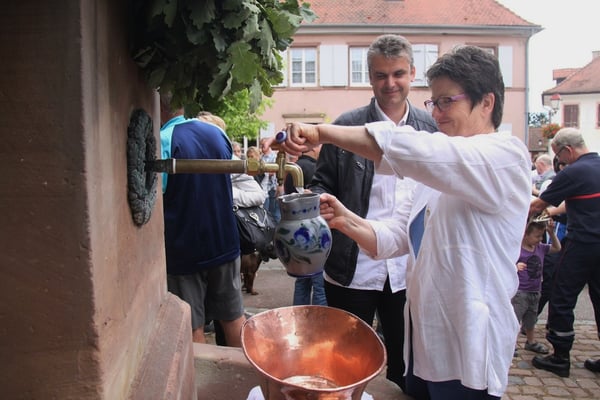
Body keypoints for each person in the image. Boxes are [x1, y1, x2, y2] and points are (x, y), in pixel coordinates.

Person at [273, 45, 531, 400]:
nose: (436, 113)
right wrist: (345, 219)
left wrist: (322, 133)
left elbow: (406, 148)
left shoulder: (504, 157)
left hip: (468, 344)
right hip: (427, 342)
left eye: (447, 102)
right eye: (434, 102)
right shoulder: (439, 173)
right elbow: (397, 237)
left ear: (486, 102)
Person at [305, 33, 437, 391]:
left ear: (412, 74)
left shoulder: (430, 128)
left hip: (408, 268)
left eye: (398, 74)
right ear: (370, 78)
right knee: (344, 363)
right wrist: (318, 201)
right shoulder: (346, 126)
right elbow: (321, 183)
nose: (390, 83)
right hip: (353, 267)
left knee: (406, 364)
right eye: (381, 75)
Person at [160, 94, 245, 346]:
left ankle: (199, 374)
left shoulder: (163, 140)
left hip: (183, 250)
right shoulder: (216, 133)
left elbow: (156, 196)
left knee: (192, 325)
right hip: (224, 242)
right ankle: (247, 371)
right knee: (233, 317)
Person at [529, 127, 600, 377]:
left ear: (567, 150)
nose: (559, 162)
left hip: (582, 243)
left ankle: (560, 357)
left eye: (558, 156)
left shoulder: (574, 171)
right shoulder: (596, 166)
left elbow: (538, 206)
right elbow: (569, 205)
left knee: (561, 295)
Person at [283, 144, 327, 306]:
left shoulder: (295, 167)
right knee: (319, 285)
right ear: (313, 148)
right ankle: (317, 319)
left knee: (302, 281)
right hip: (313, 232)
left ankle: (299, 315)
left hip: (294, 230)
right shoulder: (315, 169)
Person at [513, 219, 561, 355]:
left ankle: (531, 341)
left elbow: (557, 248)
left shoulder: (540, 248)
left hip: (535, 291)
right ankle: (511, 343)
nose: (540, 239)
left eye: (541, 236)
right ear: (525, 235)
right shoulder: (517, 250)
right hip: (520, 292)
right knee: (515, 318)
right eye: (537, 236)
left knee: (531, 319)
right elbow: (506, 264)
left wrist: (551, 234)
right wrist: (515, 266)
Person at [259, 137, 282, 223]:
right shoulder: (261, 157)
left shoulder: (274, 156)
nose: (262, 147)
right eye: (261, 145)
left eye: (263, 145)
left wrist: (264, 172)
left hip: (273, 186)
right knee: (266, 211)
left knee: (274, 211)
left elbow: (274, 170)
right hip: (264, 187)